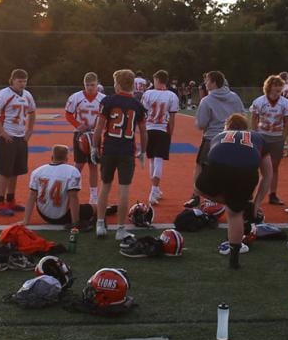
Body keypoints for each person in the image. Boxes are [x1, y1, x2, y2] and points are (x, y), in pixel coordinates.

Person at [195, 113, 261, 270]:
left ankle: (233, 202)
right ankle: (234, 259)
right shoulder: (257, 137)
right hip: (248, 173)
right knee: (236, 213)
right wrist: (255, 202)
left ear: (228, 127)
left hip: (218, 168)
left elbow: (206, 162)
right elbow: (268, 174)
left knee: (197, 189)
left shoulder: (220, 135)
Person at [93, 69, 148, 240]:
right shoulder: (138, 106)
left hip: (109, 148)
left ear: (117, 84)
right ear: (132, 84)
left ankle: (100, 224)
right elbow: (144, 133)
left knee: (105, 186)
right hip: (127, 150)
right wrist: (143, 151)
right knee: (124, 190)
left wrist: (95, 147)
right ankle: (120, 229)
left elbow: (99, 128)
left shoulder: (107, 101)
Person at [184, 70, 244, 208]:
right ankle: (227, 195)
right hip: (232, 137)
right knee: (228, 168)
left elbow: (201, 124)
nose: (205, 83)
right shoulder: (234, 97)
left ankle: (196, 196)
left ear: (214, 83)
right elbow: (241, 115)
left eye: (207, 81)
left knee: (200, 166)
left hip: (212, 138)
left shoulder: (207, 100)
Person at [0, 68, 37, 217]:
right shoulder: (4, 94)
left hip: (20, 136)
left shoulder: (27, 95)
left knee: (16, 171)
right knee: (4, 171)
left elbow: (32, 112)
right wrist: (2, 132)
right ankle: (0, 203)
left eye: (24, 81)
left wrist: (29, 131)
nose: (22, 84)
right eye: (19, 81)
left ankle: (11, 200)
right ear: (12, 80)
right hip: (7, 136)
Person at [250, 74, 288, 208]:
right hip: (262, 136)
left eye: (280, 86)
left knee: (274, 167)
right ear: (269, 86)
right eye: (276, 85)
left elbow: (287, 122)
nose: (279, 89)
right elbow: (254, 118)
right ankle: (250, 194)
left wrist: (283, 136)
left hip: (276, 137)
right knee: (255, 167)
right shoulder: (259, 101)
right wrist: (254, 134)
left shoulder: (286, 103)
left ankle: (273, 194)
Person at [64, 72, 106, 207]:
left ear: (97, 84)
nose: (90, 87)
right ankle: (70, 191)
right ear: (84, 85)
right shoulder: (76, 97)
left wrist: (100, 127)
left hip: (95, 134)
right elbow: (68, 114)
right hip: (80, 135)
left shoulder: (103, 99)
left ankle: (93, 196)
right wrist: (78, 125)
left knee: (94, 165)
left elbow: (108, 117)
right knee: (79, 164)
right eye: (87, 85)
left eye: (92, 85)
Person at [19, 144, 83, 228]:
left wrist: (26, 220)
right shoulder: (72, 171)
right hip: (64, 216)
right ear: (66, 159)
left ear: (52, 157)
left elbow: (32, 196)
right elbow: (73, 197)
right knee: (94, 208)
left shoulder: (38, 171)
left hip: (44, 215)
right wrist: (75, 223)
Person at [141, 70, 180, 205]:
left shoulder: (148, 94)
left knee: (152, 160)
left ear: (157, 79)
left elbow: (143, 113)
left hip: (149, 129)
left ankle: (155, 190)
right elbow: (172, 118)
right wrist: (171, 133)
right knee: (158, 161)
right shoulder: (172, 96)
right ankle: (154, 189)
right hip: (162, 129)